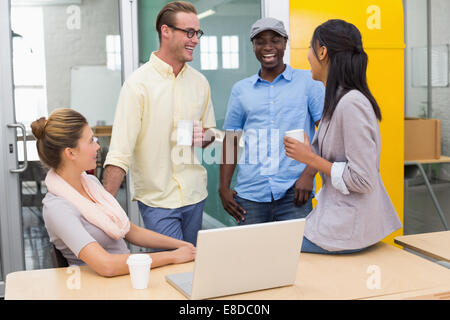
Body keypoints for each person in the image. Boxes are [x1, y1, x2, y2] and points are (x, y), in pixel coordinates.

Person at [102, 1, 216, 247]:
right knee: (170, 269)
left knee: (194, 267)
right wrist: (104, 207)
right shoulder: (137, 85)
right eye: (189, 32)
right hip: (158, 201)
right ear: (166, 31)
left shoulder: (200, 83)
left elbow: (210, 136)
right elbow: (120, 152)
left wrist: (205, 137)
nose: (195, 39)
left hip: (195, 195)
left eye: (198, 33)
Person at [283, 19, 402, 254]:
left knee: (276, 248)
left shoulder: (351, 103)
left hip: (348, 229)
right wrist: (310, 153)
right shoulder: (335, 98)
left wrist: (311, 159)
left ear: (322, 52)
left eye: (310, 47)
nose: (307, 56)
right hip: (337, 219)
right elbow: (329, 151)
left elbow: (363, 179)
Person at [33, 109, 195, 277]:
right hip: (99, 289)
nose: (97, 146)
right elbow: (106, 265)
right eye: (90, 141)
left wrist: (182, 245)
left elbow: (130, 230)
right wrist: (172, 256)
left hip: (125, 277)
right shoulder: (58, 208)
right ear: (70, 153)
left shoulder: (91, 184)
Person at [219, 17, 325, 225]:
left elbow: (325, 134)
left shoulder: (309, 83)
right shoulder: (241, 90)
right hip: (250, 194)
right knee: (252, 255)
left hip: (295, 192)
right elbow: (231, 139)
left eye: (275, 40)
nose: (268, 47)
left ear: (285, 43)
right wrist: (223, 188)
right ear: (253, 47)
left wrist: (309, 175)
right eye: (260, 41)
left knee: (297, 255)